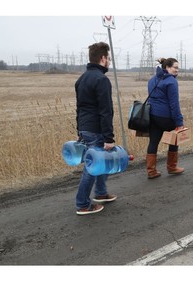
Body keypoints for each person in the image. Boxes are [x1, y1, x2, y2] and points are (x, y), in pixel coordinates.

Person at [74, 42, 117, 215]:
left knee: (101, 162)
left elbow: (80, 108)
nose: (109, 62)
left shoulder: (82, 79)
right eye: (109, 58)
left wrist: (79, 131)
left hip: (85, 128)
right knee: (92, 167)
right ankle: (83, 203)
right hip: (96, 130)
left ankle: (100, 193)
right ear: (103, 58)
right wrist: (108, 138)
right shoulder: (101, 80)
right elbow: (105, 111)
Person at [146, 57, 185, 179]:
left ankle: (151, 171)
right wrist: (179, 122)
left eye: (178, 68)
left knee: (153, 142)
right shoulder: (171, 82)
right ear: (167, 67)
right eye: (175, 67)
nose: (177, 70)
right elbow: (174, 104)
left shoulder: (152, 80)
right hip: (166, 117)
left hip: (152, 116)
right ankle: (172, 167)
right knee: (175, 138)